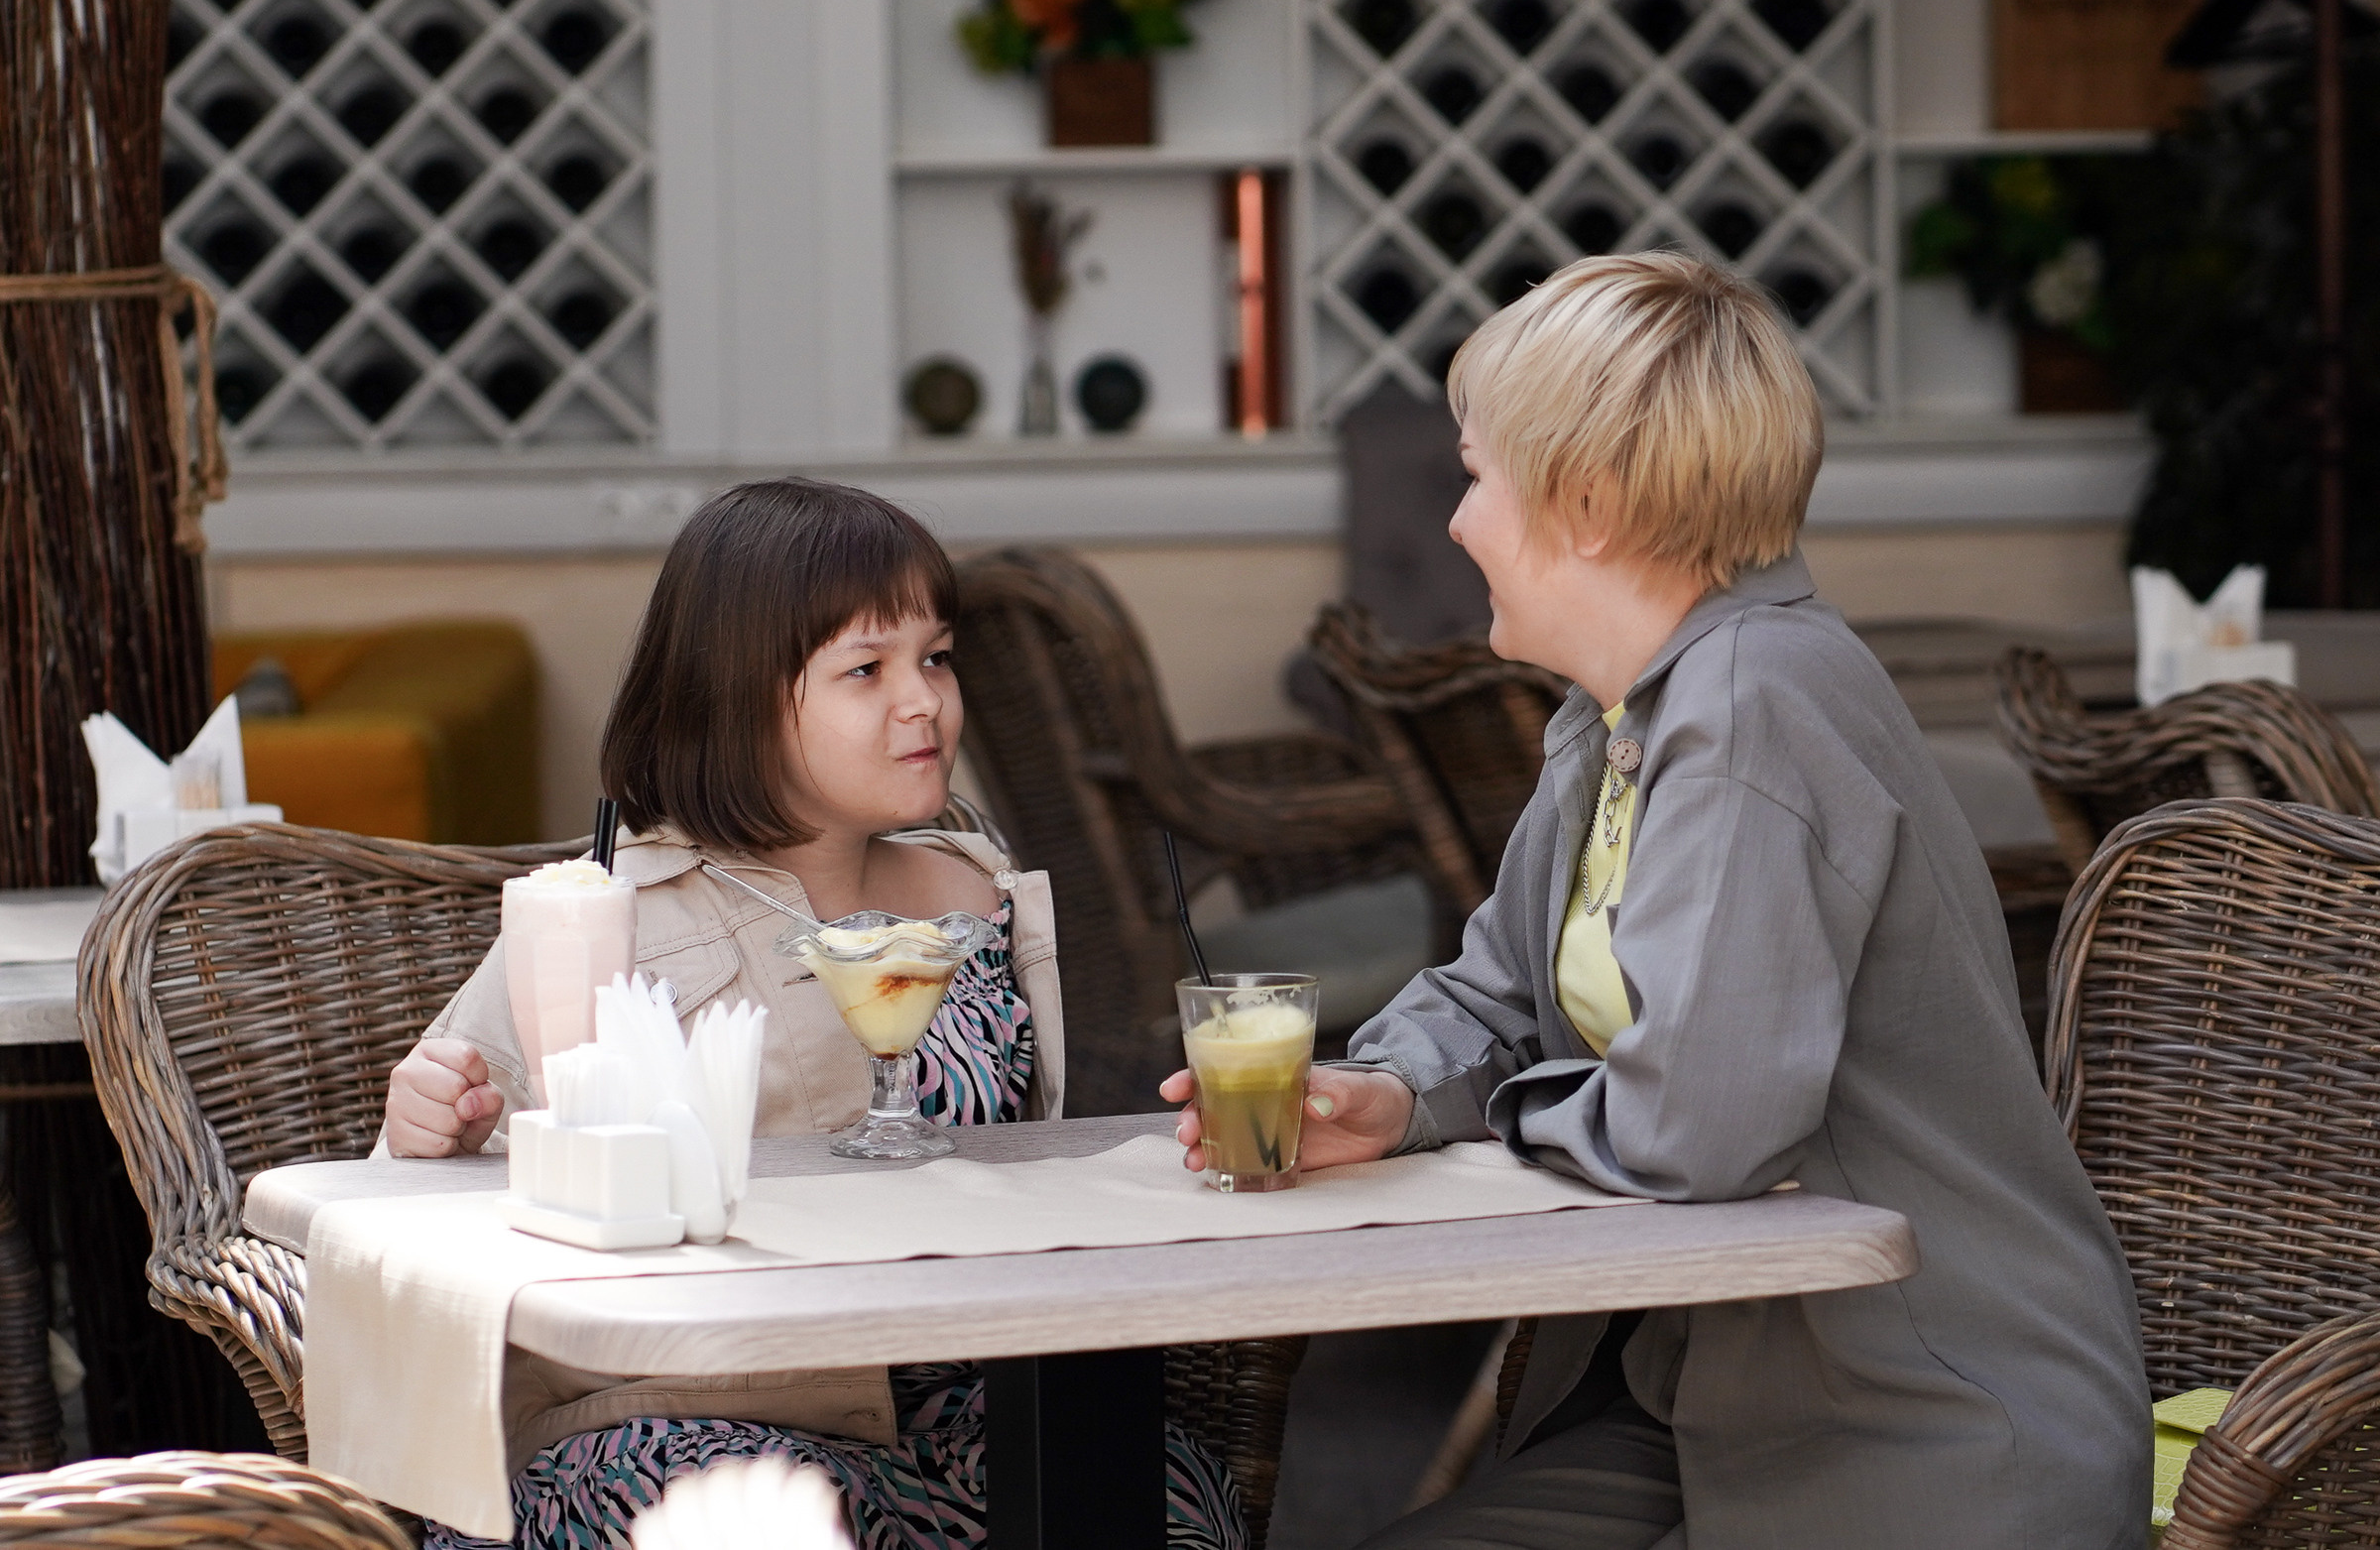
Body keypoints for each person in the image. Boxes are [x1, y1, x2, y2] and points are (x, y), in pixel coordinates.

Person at [1164, 253, 2150, 1549]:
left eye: (1477, 477)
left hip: (1929, 1428)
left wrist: (1491, 1116)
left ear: (1584, 504)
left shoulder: (1753, 709)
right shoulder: (1622, 709)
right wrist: (1395, 1100)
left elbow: (1700, 1131)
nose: (1459, 523)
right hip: (1712, 1401)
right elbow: (1493, 992)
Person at [384, 478, 1247, 1550]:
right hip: (690, 1408)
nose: (923, 700)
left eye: (934, 657)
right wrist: (433, 1129)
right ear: (736, 697)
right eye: (865, 670)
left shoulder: (978, 890)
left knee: (1164, 1501)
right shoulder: (609, 914)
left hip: (964, 1391)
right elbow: (427, 1183)